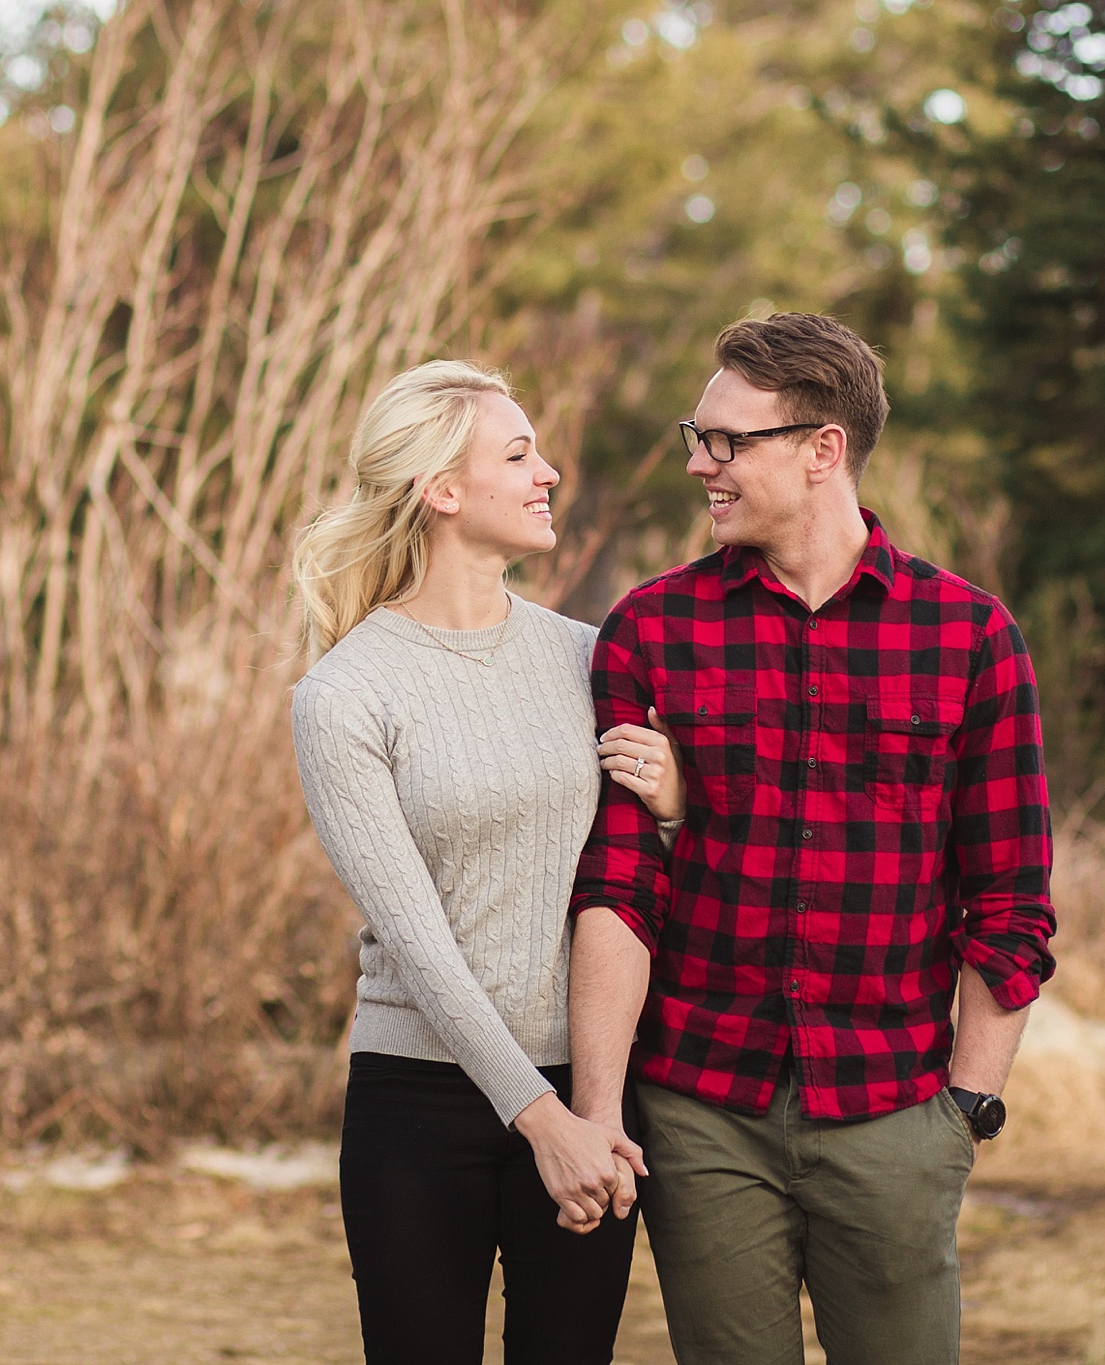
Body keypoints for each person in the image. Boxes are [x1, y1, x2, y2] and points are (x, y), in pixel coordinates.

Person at [567, 313, 1057, 1365]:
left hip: (892, 1106)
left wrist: (966, 1106)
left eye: (725, 442)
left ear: (820, 448)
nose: (698, 463)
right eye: (694, 435)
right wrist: (599, 1107)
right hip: (700, 1107)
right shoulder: (651, 631)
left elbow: (1010, 901)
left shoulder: (968, 635)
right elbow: (618, 881)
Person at [291, 359, 681, 1365]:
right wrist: (539, 1120)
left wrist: (676, 810)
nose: (546, 472)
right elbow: (419, 947)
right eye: (518, 454)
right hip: (418, 1107)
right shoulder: (344, 694)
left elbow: (639, 877)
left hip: (591, 1088)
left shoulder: (590, 657)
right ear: (442, 490)